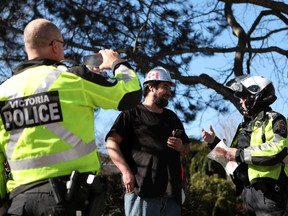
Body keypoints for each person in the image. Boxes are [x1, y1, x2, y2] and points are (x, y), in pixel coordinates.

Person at [0, 18, 142, 216]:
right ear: (55, 46)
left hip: (19, 204)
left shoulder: (4, 91)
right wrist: (117, 63)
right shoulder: (73, 77)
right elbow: (130, 94)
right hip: (68, 200)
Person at [105, 66, 190, 216]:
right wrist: (125, 172)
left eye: (170, 88)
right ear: (151, 87)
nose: (169, 92)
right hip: (141, 193)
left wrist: (181, 146)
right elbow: (111, 142)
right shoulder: (131, 112)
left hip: (172, 196)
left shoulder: (172, 117)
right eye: (165, 87)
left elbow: (186, 149)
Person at [202, 75, 288, 216]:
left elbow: (276, 150)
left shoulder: (275, 119)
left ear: (256, 96)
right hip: (248, 196)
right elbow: (231, 158)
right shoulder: (244, 127)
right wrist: (214, 142)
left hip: (271, 194)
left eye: (243, 98)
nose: (241, 102)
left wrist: (238, 154)